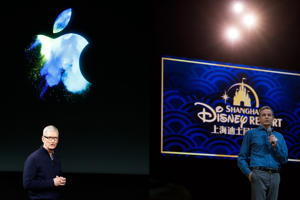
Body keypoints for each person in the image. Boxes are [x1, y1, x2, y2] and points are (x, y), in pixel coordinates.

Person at [237, 106, 288, 200]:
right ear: (259, 118)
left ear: (273, 118)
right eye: (263, 115)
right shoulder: (251, 134)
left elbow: (284, 159)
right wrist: (249, 174)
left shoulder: (279, 136)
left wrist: (275, 146)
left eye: (269, 115)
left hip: (275, 175)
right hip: (258, 174)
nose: (266, 117)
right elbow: (241, 157)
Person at [23, 125, 66, 200]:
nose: (52, 141)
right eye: (49, 138)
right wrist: (52, 182)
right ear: (43, 139)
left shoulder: (56, 158)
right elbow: (27, 184)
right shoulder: (33, 158)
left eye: (55, 138)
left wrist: (60, 181)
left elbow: (55, 180)